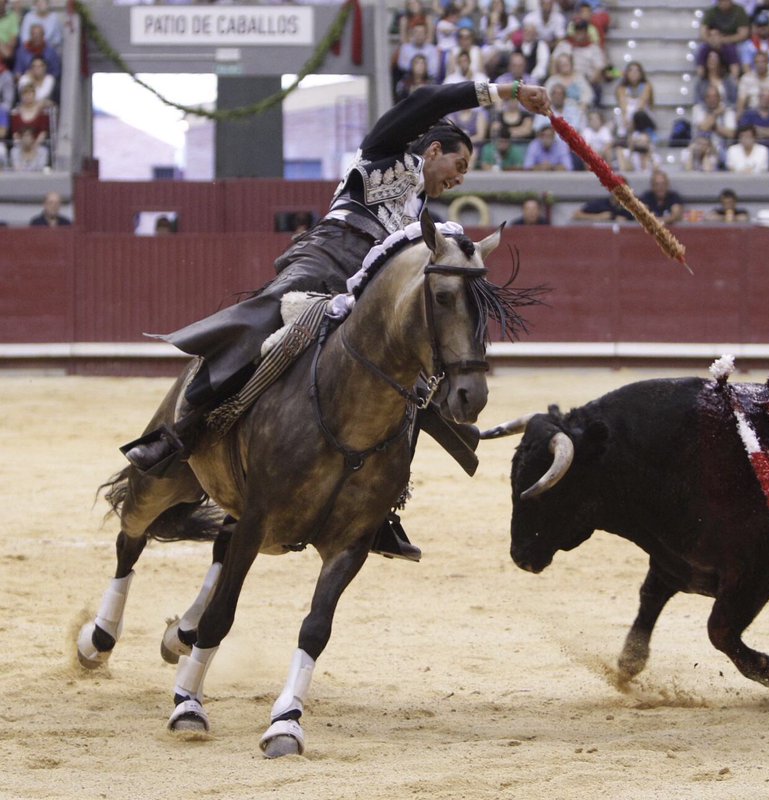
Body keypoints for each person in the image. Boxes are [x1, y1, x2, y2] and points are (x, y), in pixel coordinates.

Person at [120, 80, 552, 561]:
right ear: (433, 150)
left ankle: (380, 507)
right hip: (323, 264)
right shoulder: (383, 155)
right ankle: (178, 438)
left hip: (365, 295)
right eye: (460, 164)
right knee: (260, 330)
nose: (460, 178)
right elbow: (427, 101)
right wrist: (508, 90)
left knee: (407, 388)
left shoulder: (420, 211)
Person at [698, 0, 750, 74]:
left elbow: (744, 34)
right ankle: (701, 77)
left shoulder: (739, 11)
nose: (724, 3)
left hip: (733, 42)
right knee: (702, 49)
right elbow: (703, 32)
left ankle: (734, 78)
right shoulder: (711, 11)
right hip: (714, 42)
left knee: (734, 51)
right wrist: (712, 40)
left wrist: (723, 40)